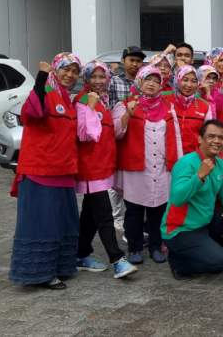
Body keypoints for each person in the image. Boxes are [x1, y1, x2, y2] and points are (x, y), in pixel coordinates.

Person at [9, 53, 82, 289]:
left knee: (63, 223)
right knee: (43, 225)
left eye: (74, 71)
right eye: (65, 70)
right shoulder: (45, 92)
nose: (70, 75)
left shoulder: (67, 98)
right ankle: (39, 274)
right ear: (55, 70)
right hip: (41, 172)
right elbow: (31, 113)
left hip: (63, 171)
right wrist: (41, 76)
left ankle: (60, 267)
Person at [162, 120, 223, 279]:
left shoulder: (219, 164)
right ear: (200, 139)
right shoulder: (186, 163)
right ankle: (179, 264)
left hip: (205, 223)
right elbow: (177, 199)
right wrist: (199, 176)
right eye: (211, 136)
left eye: (220, 137)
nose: (217, 141)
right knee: (218, 263)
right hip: (180, 230)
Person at [74, 60, 137, 279]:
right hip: (91, 168)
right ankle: (117, 259)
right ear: (86, 79)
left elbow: (115, 133)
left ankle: (80, 253)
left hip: (103, 166)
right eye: (94, 77)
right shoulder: (83, 100)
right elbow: (85, 134)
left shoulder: (103, 102)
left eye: (103, 77)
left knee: (90, 216)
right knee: (104, 215)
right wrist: (90, 106)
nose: (99, 81)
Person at [113, 65, 178, 265]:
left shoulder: (168, 107)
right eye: (148, 79)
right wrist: (127, 115)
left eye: (156, 81)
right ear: (139, 81)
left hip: (161, 166)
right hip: (136, 168)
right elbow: (116, 133)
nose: (152, 84)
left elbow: (176, 137)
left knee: (158, 210)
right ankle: (134, 247)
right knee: (133, 211)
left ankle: (156, 246)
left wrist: (178, 164)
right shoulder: (125, 104)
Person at [107, 46, 147, 230]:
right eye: (131, 60)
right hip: (117, 132)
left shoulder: (144, 83)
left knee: (132, 177)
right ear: (124, 61)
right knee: (115, 177)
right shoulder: (114, 82)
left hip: (139, 134)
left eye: (138, 61)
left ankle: (131, 214)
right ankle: (117, 216)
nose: (135, 64)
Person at [164, 65, 214, 157]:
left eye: (194, 81)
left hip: (192, 157)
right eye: (185, 80)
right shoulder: (164, 99)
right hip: (165, 157)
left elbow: (208, 135)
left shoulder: (205, 106)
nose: (189, 85)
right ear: (177, 80)